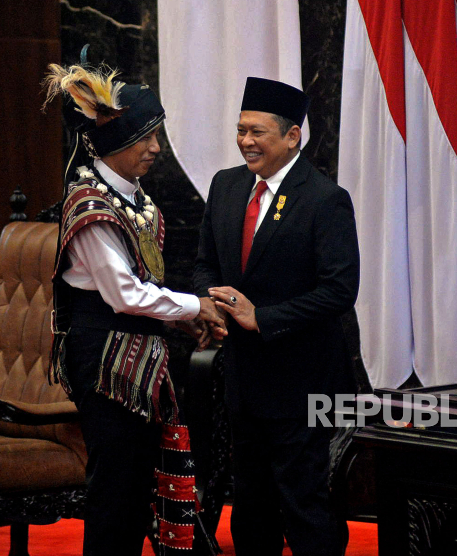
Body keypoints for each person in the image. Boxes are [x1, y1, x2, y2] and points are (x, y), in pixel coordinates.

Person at [42, 64, 225, 556]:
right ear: (116, 142)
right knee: (116, 488)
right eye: (147, 137)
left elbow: (145, 292)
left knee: (139, 481)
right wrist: (195, 308)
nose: (156, 149)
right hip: (106, 361)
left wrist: (187, 322)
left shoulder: (134, 199)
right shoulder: (90, 205)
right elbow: (126, 295)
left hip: (140, 358)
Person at [193, 77, 360, 556]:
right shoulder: (226, 185)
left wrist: (260, 317)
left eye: (258, 132)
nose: (246, 141)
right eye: (241, 130)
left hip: (303, 383)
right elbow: (205, 260)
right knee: (251, 505)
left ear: (293, 136)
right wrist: (212, 303)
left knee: (306, 506)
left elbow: (339, 290)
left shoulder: (325, 199)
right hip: (243, 382)